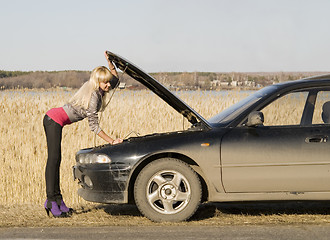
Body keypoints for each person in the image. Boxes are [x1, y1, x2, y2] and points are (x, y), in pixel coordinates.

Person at [43, 51, 123, 217]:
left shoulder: (101, 89)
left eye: (108, 82)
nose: (108, 85)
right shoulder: (93, 96)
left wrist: (111, 64)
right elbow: (94, 126)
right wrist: (112, 141)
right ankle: (51, 200)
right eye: (105, 82)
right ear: (98, 82)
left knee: (57, 159)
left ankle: (58, 200)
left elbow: (116, 80)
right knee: (54, 160)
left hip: (56, 121)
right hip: (52, 120)